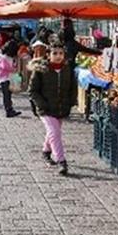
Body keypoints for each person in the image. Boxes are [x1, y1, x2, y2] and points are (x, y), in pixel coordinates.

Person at [28, 42, 76, 176]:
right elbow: (32, 91)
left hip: (61, 107)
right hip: (46, 109)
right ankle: (61, 161)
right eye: (55, 53)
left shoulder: (67, 69)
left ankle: (46, 151)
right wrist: (42, 104)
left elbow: (73, 88)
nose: (58, 56)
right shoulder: (41, 69)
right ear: (48, 55)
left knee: (53, 132)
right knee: (55, 132)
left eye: (61, 53)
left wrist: (71, 102)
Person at [0, 40, 22, 118]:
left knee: (8, 94)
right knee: (7, 95)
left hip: (8, 77)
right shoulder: (3, 57)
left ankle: (10, 109)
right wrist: (14, 68)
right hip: (4, 78)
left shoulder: (4, 56)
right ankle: (8, 110)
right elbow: (6, 67)